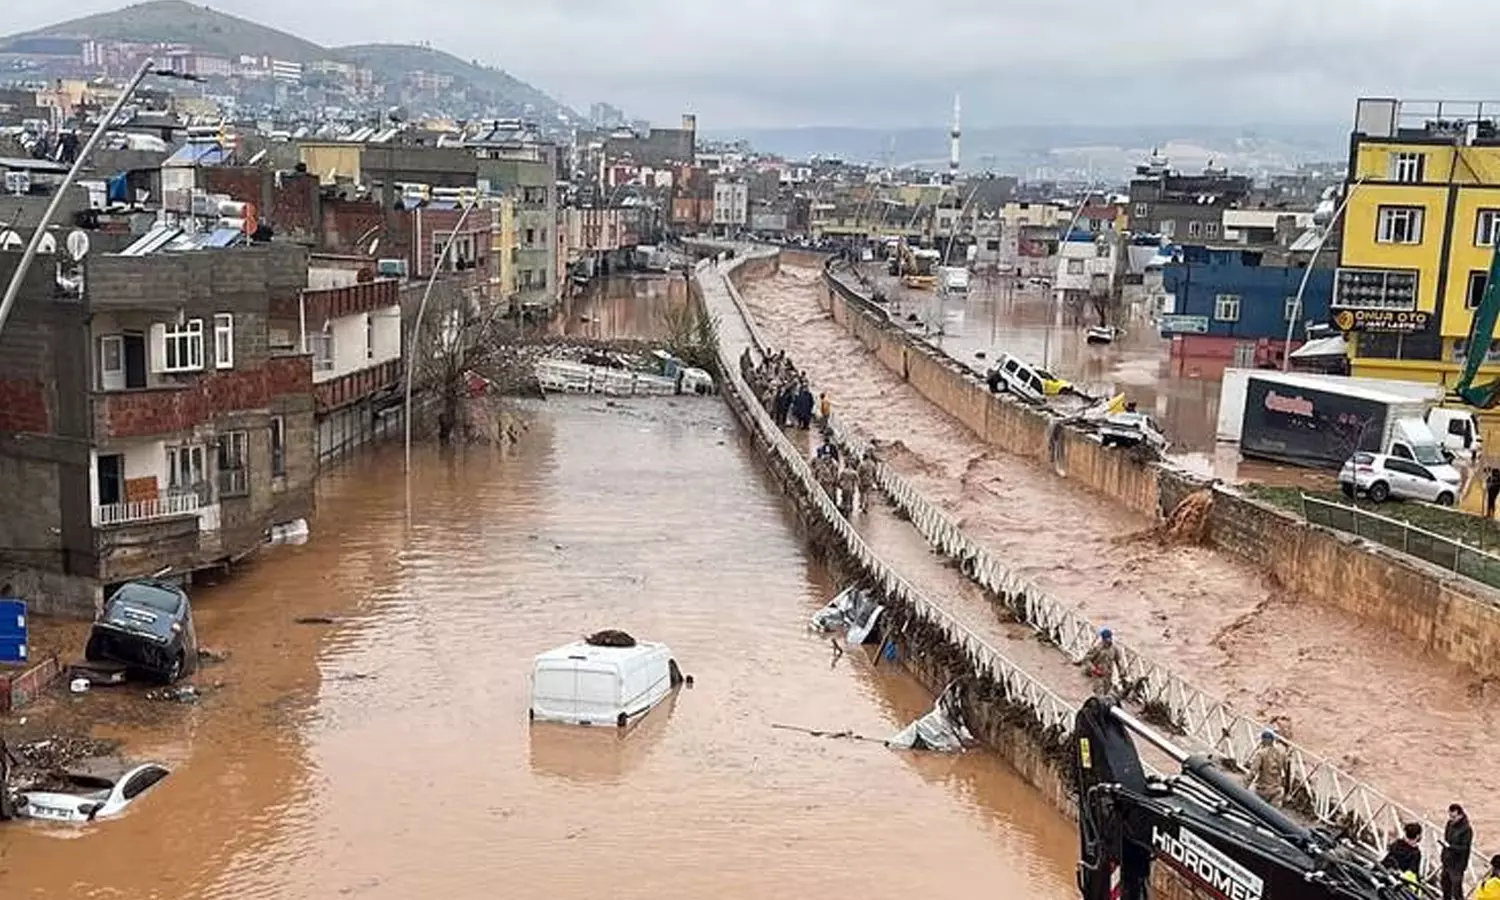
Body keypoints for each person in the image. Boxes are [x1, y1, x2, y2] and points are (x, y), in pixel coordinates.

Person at [1244, 729, 1287, 805]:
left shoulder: (1261, 753)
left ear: (1264, 740)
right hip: (1276, 790)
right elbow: (1284, 772)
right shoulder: (1281, 754)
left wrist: (1245, 786)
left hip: (1262, 790)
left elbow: (1253, 771)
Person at [1079, 627, 1123, 698]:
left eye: (1109, 638)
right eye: (1106, 639)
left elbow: (1118, 661)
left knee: (1106, 694)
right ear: (1103, 639)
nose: (1108, 640)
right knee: (1100, 695)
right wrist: (1094, 669)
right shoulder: (1097, 648)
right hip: (1098, 675)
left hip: (1108, 676)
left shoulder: (1114, 649)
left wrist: (1121, 672)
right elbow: (1087, 660)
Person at [1442, 804, 1474, 900]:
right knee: (1445, 886)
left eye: (1454, 817)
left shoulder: (1467, 829)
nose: (1451, 819)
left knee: (1456, 890)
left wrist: (1450, 847)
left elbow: (1465, 848)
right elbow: (1446, 838)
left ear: (1460, 815)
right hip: (1447, 861)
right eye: (1450, 816)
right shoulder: (1449, 824)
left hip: (1457, 864)